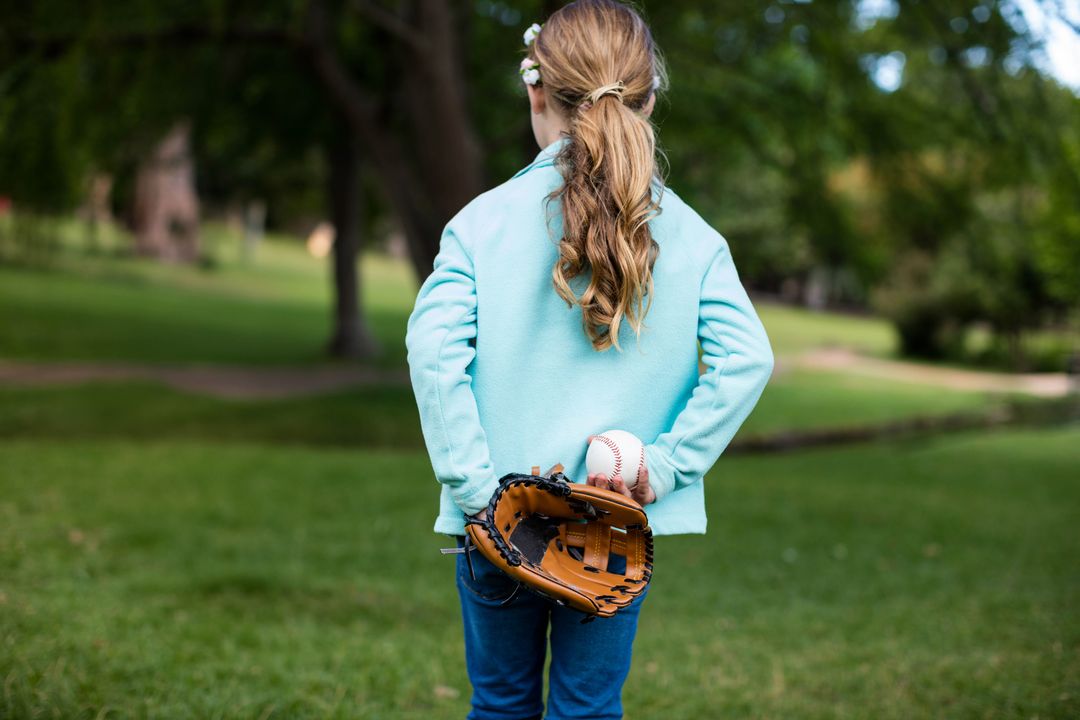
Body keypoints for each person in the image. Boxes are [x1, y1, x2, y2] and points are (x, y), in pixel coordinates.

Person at [405, 1, 774, 718]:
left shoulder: (480, 223)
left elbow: (431, 350)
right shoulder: (693, 238)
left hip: (497, 520)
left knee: (501, 703)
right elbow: (747, 360)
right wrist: (662, 467)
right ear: (651, 100)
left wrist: (477, 491)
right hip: (612, 525)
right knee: (590, 708)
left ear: (535, 91)